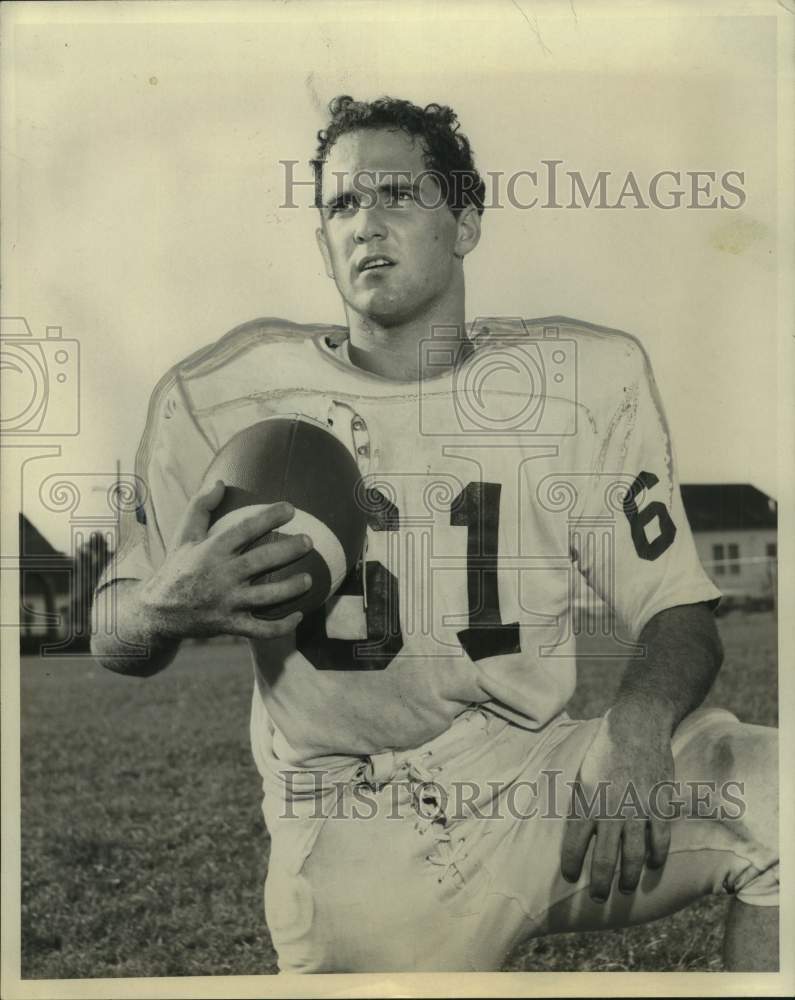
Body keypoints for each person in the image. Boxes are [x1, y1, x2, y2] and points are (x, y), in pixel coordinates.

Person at [91, 95, 778, 973]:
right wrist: (163, 605)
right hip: (354, 818)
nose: (365, 224)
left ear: (465, 222)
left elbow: (677, 608)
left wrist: (636, 724)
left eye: (395, 196)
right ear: (319, 240)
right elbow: (112, 630)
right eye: (341, 204)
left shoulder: (579, 381)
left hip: (537, 779)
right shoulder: (226, 398)